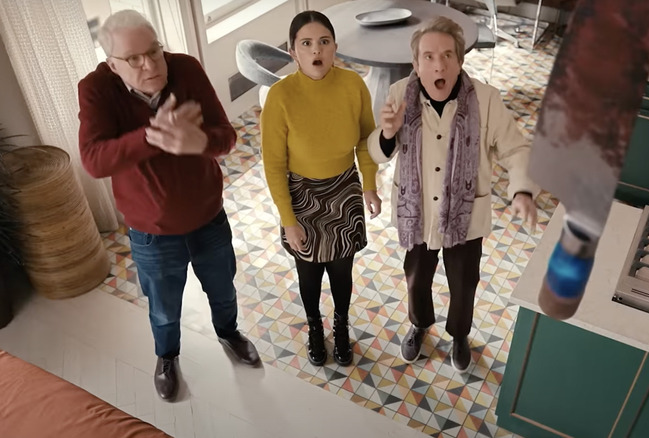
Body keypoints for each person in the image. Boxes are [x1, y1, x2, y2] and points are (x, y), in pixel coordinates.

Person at [78, 10, 259, 402]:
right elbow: (93, 160)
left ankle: (229, 334)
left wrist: (199, 142)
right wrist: (154, 136)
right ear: (112, 65)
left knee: (223, 290)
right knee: (163, 309)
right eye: (134, 59)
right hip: (151, 232)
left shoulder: (186, 69)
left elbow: (225, 136)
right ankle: (167, 357)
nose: (150, 64)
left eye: (155, 51)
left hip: (209, 217)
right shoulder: (96, 89)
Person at [367, 17, 539, 373]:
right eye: (428, 56)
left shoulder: (486, 100)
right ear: (416, 64)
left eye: (447, 55)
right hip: (418, 213)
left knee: (464, 282)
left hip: (465, 216)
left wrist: (522, 189)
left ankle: (459, 335)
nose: (438, 64)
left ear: (460, 61)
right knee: (416, 277)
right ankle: (419, 323)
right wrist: (387, 133)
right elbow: (377, 152)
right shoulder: (400, 94)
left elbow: (515, 148)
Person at [261, 11, 381, 367]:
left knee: (343, 270)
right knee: (309, 271)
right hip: (301, 195)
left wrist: (370, 186)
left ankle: (341, 325)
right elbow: (274, 165)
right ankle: (315, 325)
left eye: (324, 42)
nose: (317, 50)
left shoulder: (353, 84)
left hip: (344, 189)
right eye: (307, 43)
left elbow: (365, 139)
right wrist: (288, 218)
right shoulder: (280, 96)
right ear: (293, 51)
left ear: (334, 48)